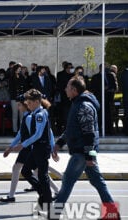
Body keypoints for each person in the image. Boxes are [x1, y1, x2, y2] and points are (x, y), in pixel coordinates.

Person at [52, 76, 120, 219]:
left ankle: (53, 215)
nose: (65, 89)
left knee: (67, 182)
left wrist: (90, 156)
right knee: (97, 181)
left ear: (74, 90)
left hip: (81, 153)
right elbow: (72, 129)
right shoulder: (77, 103)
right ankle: (112, 213)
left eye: (68, 87)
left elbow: (89, 134)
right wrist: (59, 143)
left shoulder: (83, 106)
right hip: (83, 151)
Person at [13, 89, 53, 215]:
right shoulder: (36, 113)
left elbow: (38, 134)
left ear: (36, 102)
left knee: (43, 176)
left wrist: (22, 145)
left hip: (41, 148)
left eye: (29, 103)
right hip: (36, 148)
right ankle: (43, 193)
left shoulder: (40, 114)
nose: (27, 105)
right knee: (25, 171)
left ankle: (48, 202)